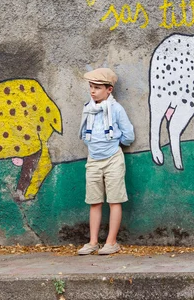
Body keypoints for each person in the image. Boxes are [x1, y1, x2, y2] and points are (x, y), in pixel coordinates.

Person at [77, 67, 134, 255]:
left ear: (109, 89)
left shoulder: (116, 109)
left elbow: (128, 135)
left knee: (114, 200)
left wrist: (114, 140)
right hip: (93, 159)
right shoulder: (88, 109)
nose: (93, 91)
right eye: (91, 87)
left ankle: (111, 242)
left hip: (113, 159)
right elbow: (85, 133)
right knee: (94, 201)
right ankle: (93, 241)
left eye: (97, 87)